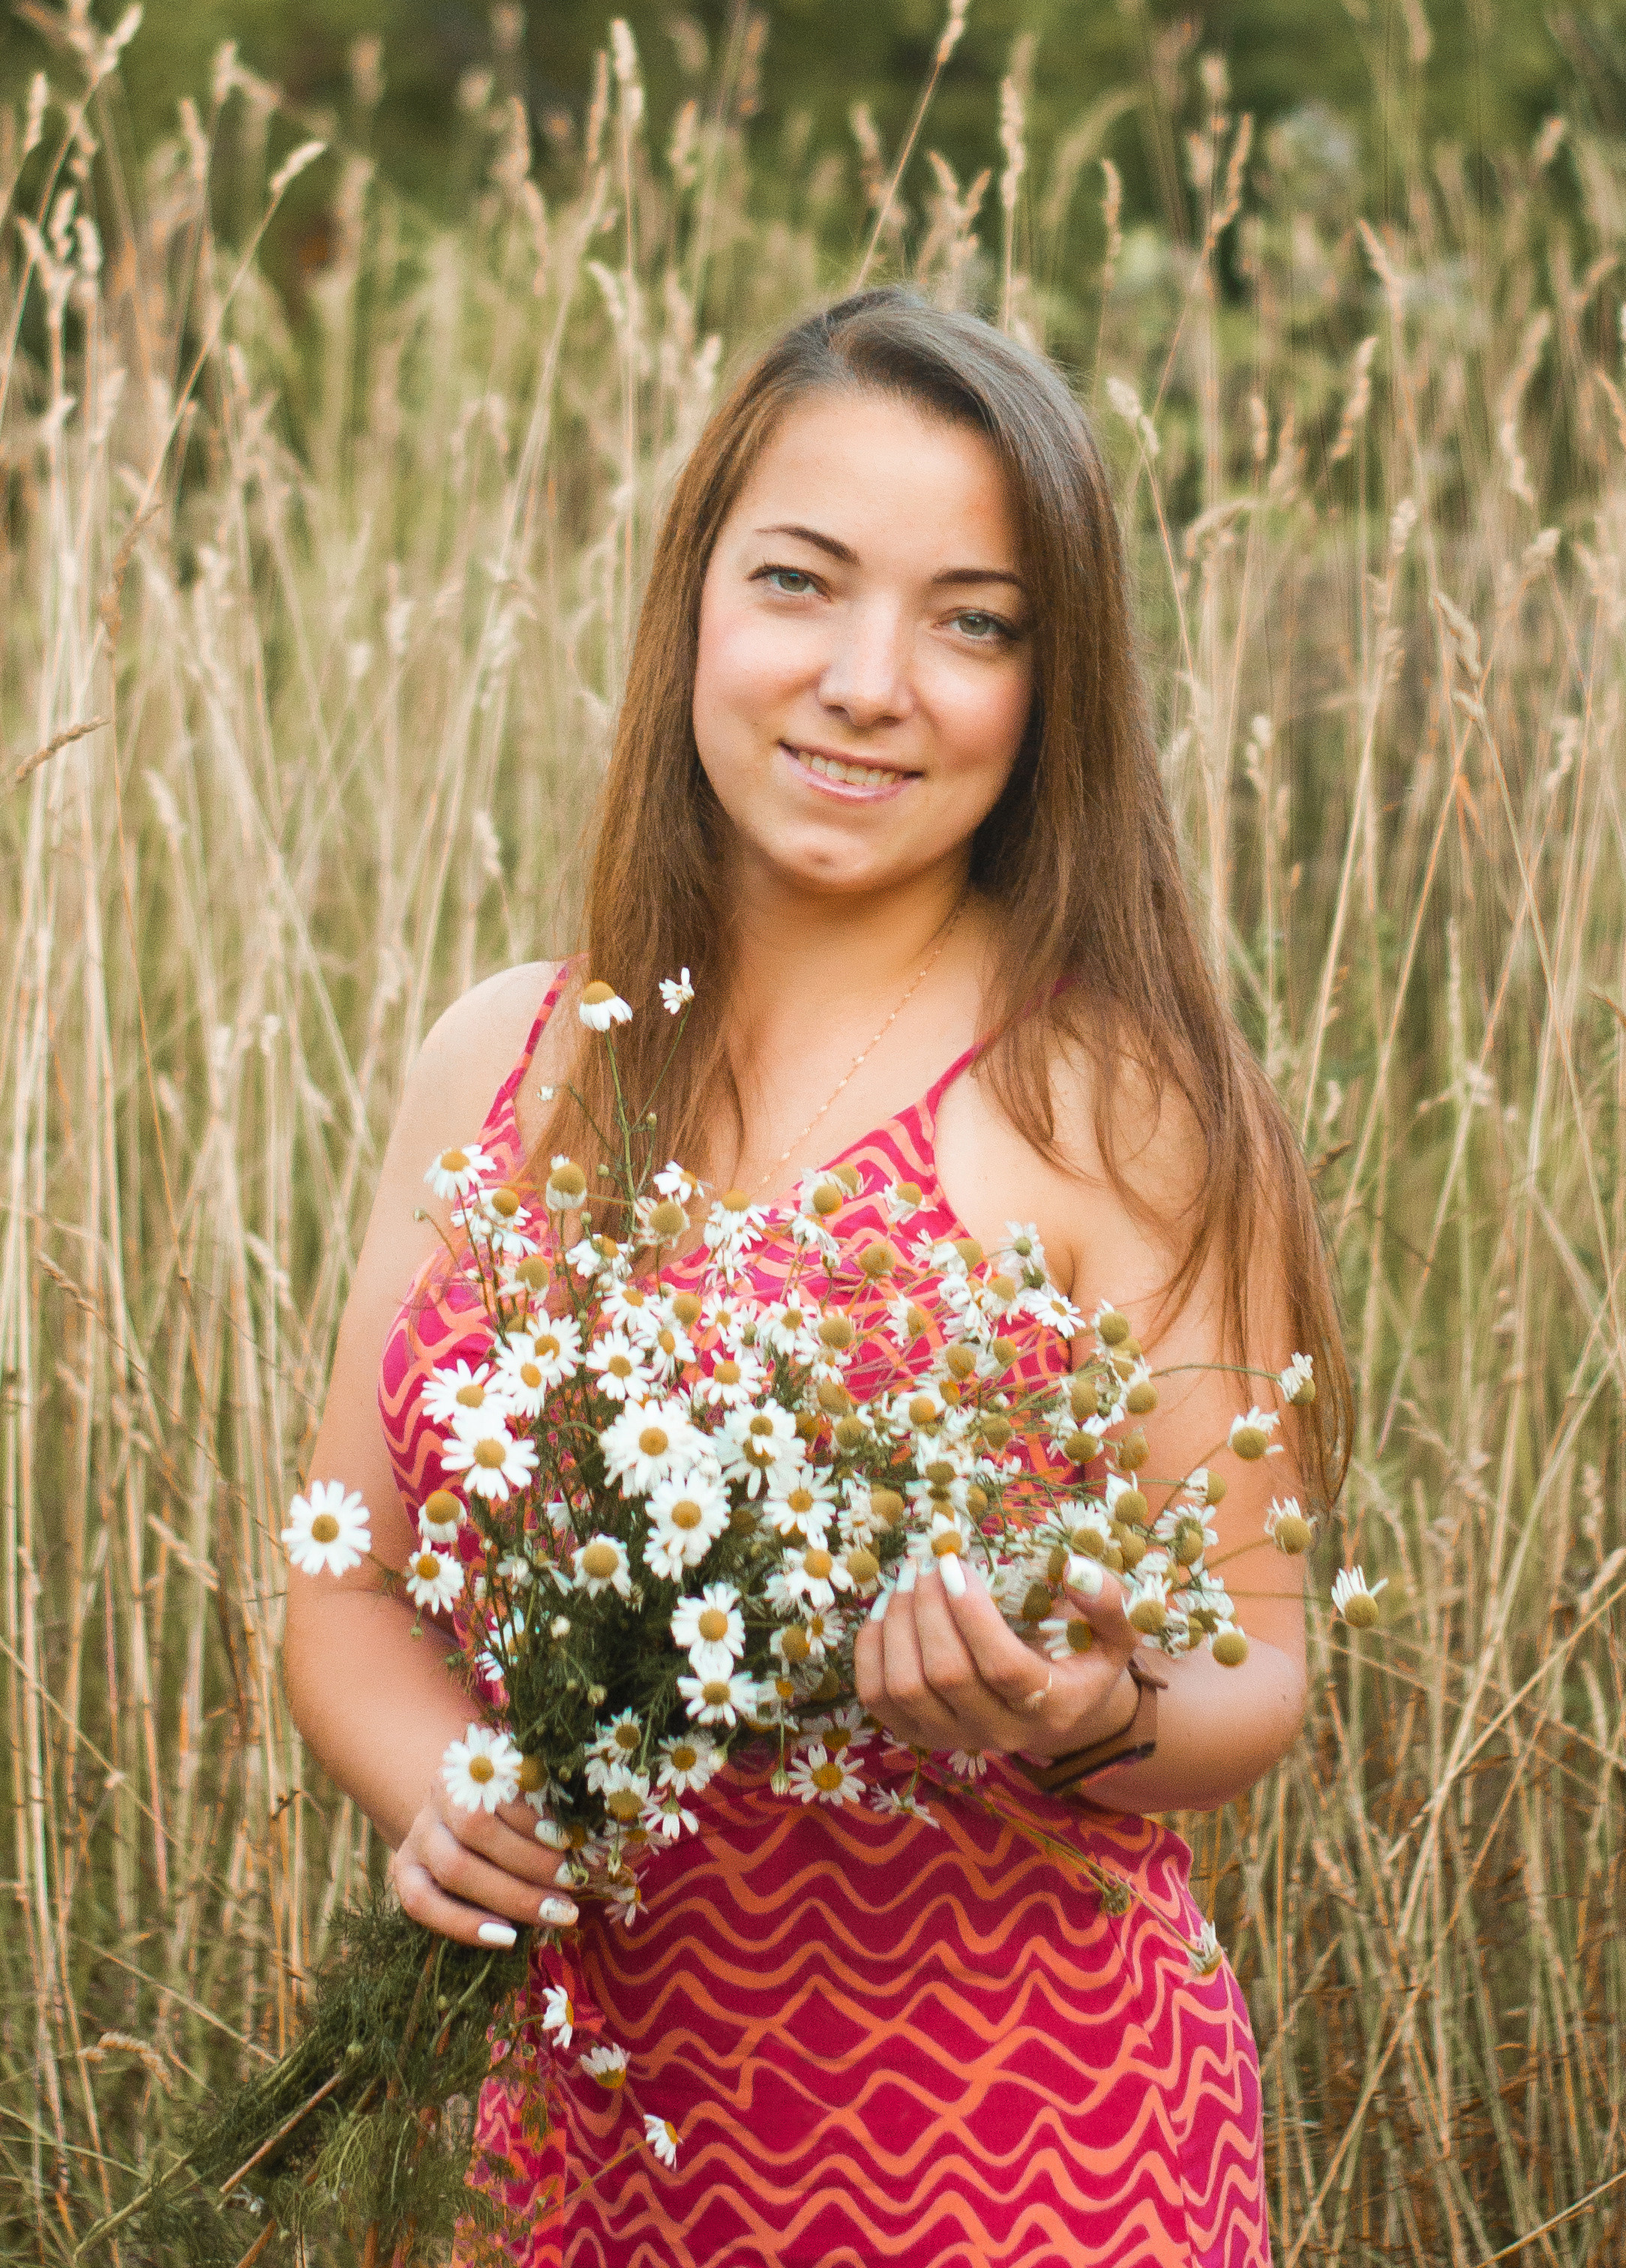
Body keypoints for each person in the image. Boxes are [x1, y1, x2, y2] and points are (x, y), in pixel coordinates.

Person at [284, 286, 1349, 2266]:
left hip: (1021, 2155)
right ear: (697, 595)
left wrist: (1067, 1706)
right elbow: (345, 1593)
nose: (871, 680)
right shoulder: (502, 1060)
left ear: (1055, 690)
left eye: (974, 621)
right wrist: (465, 1800)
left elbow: (1255, 1673)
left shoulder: (1130, 1116)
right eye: (801, 582)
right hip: (589, 2138)